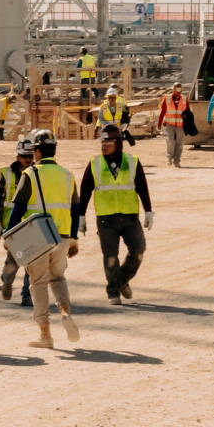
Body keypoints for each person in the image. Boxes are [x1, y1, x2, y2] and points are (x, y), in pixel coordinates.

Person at [2, 130, 82, 348]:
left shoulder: (30, 174)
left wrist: (8, 235)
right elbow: (76, 210)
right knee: (58, 278)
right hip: (63, 235)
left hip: (38, 235)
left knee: (38, 283)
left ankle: (45, 334)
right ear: (54, 150)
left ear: (37, 151)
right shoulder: (67, 175)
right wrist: (73, 237)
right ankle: (65, 313)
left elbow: (17, 209)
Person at [75, 124, 152, 303]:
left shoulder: (132, 161)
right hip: (106, 219)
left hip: (130, 217)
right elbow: (85, 191)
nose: (104, 145)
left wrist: (148, 210)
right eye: (102, 141)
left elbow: (142, 186)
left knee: (138, 251)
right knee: (110, 257)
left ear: (118, 143)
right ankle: (113, 292)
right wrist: (81, 216)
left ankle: (122, 280)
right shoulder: (94, 163)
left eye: (108, 141)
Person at [0, 136, 38, 310]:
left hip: (31, 223)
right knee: (14, 259)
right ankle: (7, 280)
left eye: (30, 156)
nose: (28, 160)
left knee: (31, 261)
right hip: (11, 225)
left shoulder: (37, 172)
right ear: (18, 156)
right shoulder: (7, 174)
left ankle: (27, 295)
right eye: (24, 156)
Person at [157, 85, 189, 168]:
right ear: (173, 89)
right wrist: (159, 123)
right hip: (169, 124)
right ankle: (169, 158)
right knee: (170, 141)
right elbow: (163, 112)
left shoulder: (185, 98)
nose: (179, 90)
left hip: (180, 124)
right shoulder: (167, 98)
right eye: (177, 88)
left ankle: (177, 161)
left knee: (179, 143)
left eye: (180, 88)